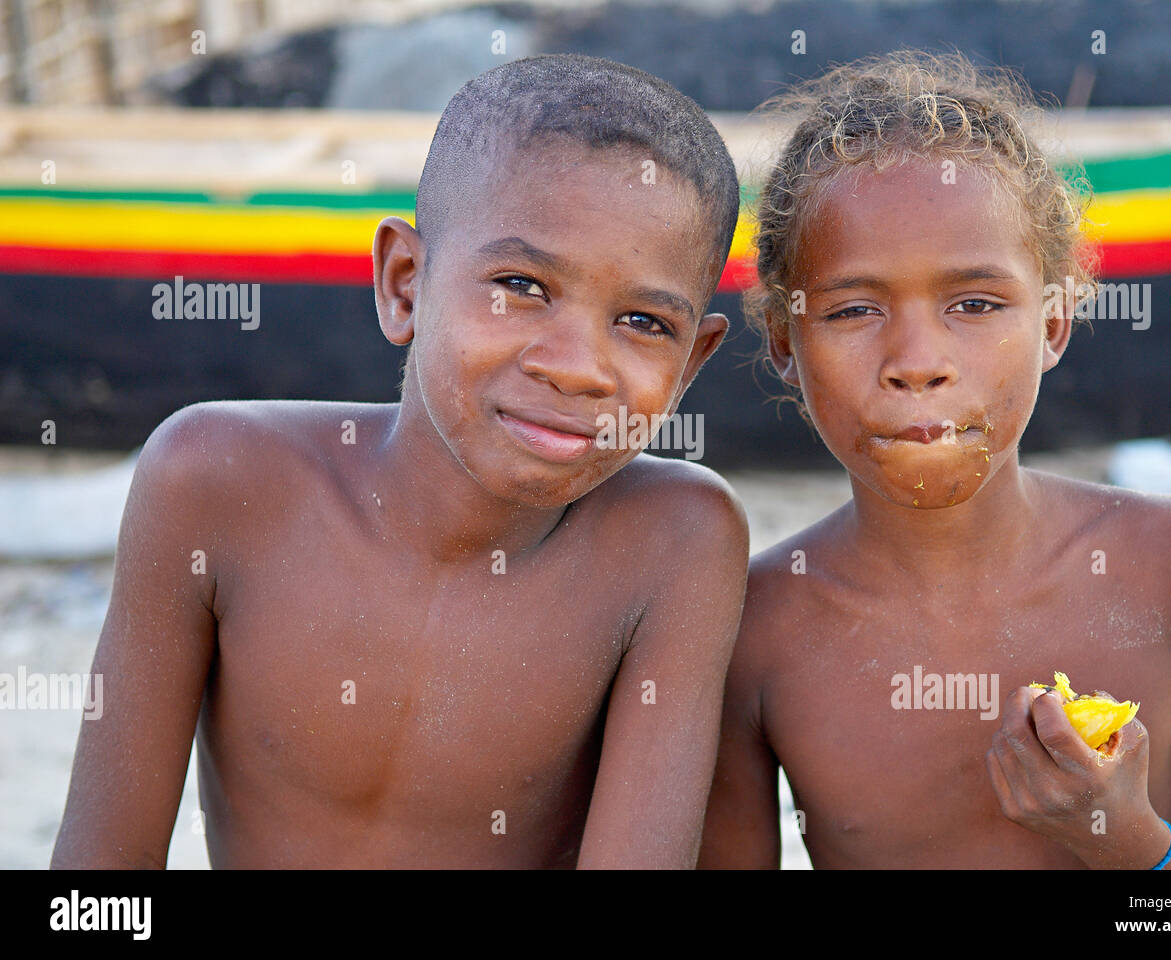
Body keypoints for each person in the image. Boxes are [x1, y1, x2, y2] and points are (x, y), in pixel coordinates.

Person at [53, 53, 748, 869]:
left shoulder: (675, 543)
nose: (577, 366)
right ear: (404, 283)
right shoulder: (213, 480)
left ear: (692, 363)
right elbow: (95, 885)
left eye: (642, 321)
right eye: (521, 285)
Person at [699, 51, 1171, 868]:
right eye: (854, 309)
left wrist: (1127, 840)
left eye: (974, 304)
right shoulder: (752, 628)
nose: (918, 360)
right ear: (782, 344)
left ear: (1053, 323)